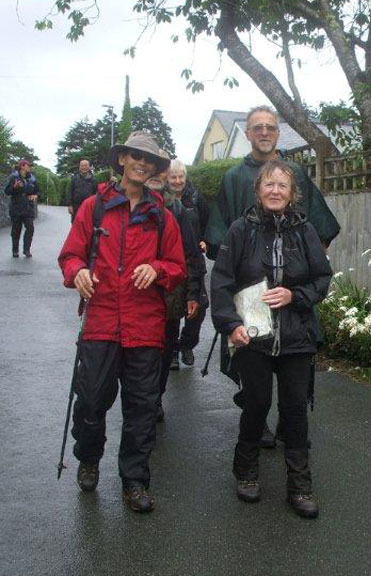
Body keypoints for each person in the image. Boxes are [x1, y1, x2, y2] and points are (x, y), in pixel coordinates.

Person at [58, 131, 186, 513]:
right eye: (136, 157)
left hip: (145, 328)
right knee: (92, 401)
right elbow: (69, 256)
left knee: (142, 409)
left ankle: (134, 480)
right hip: (99, 324)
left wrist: (157, 268)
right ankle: (89, 457)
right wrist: (77, 271)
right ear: (122, 160)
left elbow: (178, 267)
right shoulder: (93, 208)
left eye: (150, 160)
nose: (142, 164)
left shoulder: (162, 216)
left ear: (155, 169)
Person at [205, 105, 340, 447]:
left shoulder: (295, 171)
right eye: (257, 128)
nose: (264, 132)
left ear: (277, 134)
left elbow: (321, 227)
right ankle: (257, 419)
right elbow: (220, 239)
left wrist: (303, 263)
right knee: (251, 368)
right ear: (247, 134)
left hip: (293, 296)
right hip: (250, 298)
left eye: (270, 127)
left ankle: (289, 425)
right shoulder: (234, 178)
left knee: (296, 371)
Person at [211, 160, 333, 518]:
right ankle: (246, 471)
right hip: (253, 338)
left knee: (295, 409)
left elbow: (322, 278)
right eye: (269, 184)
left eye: (282, 185)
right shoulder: (239, 230)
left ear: (292, 193)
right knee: (256, 403)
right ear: (258, 190)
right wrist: (229, 324)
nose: (275, 190)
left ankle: (299, 483)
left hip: (297, 337)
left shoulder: (305, 230)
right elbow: (220, 282)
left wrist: (296, 296)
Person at [146, 156, 204, 422]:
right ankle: (142, 401)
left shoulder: (176, 208)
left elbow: (192, 254)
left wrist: (193, 293)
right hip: (134, 298)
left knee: (164, 351)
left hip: (169, 296)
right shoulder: (119, 205)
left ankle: (154, 399)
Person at [166, 159, 209, 369]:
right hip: (172, 260)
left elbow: (208, 223)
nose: (177, 181)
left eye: (180, 176)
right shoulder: (162, 199)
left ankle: (187, 344)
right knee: (172, 309)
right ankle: (172, 350)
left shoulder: (195, 197)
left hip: (194, 257)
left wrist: (205, 240)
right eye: (173, 177)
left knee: (199, 308)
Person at [4, 159, 39, 258]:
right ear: (22, 166)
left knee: (30, 228)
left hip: (28, 208)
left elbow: (36, 191)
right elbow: (7, 191)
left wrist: (35, 196)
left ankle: (26, 250)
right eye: (28, 165)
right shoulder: (14, 177)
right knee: (16, 230)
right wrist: (14, 187)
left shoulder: (32, 178)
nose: (29, 167)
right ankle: (15, 250)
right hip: (16, 207)